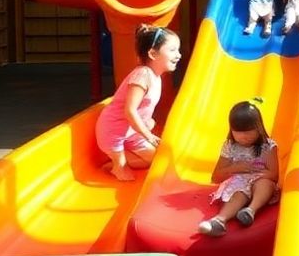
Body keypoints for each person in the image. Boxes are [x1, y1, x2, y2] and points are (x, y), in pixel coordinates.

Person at [95, 24, 180, 181]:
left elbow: (143, 109)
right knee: (126, 176)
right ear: (153, 53)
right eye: (173, 50)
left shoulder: (156, 77)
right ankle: (117, 164)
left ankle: (118, 161)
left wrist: (148, 123)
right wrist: (147, 134)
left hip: (131, 132)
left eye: (178, 50)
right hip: (113, 132)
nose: (179, 55)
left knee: (156, 159)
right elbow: (130, 110)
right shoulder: (142, 75)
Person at [198, 100, 279, 237]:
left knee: (265, 184)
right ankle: (219, 221)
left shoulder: (268, 146)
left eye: (248, 132)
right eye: (238, 132)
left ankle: (250, 210)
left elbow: (274, 175)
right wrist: (237, 167)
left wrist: (258, 175)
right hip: (238, 182)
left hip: (260, 181)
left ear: (258, 128)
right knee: (239, 192)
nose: (243, 136)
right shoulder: (230, 146)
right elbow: (216, 176)